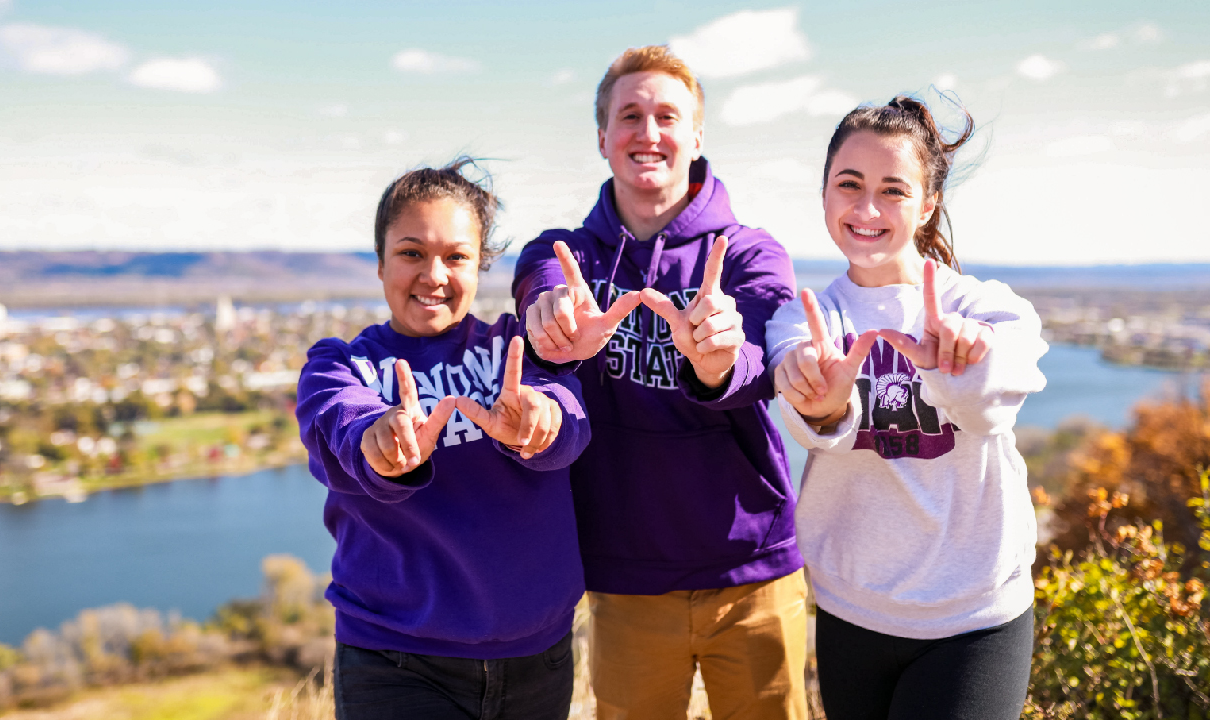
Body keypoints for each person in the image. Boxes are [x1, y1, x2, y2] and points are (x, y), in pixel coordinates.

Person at [513, 46, 807, 719]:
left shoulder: (749, 253)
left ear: (697, 136)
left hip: (752, 572)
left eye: (667, 115)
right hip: (627, 579)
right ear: (602, 138)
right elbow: (543, 286)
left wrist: (718, 360)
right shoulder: (567, 254)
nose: (649, 133)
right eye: (630, 115)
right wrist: (555, 318)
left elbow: (762, 356)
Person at [765, 96, 1047, 720]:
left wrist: (965, 359)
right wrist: (823, 403)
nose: (867, 209)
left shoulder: (986, 309)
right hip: (851, 613)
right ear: (825, 195)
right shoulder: (805, 318)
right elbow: (801, 396)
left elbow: (988, 407)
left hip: (975, 618)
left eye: (893, 189)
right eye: (849, 184)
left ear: (927, 205)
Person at [296, 159, 591, 720]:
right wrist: (379, 441)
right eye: (411, 253)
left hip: (538, 658)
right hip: (395, 663)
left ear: (480, 267)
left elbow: (570, 421)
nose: (434, 275)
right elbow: (338, 422)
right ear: (380, 263)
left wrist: (539, 422)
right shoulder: (341, 365)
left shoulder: (517, 350)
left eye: (456, 256)